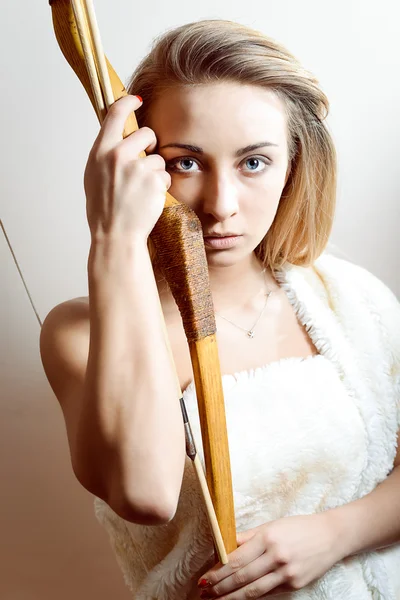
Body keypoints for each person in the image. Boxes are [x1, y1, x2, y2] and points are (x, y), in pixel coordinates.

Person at [39, 18, 400, 600]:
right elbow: (145, 492)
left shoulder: (348, 298)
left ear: (293, 166)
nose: (221, 205)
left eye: (253, 162)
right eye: (185, 162)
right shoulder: (78, 332)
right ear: (139, 162)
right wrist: (113, 240)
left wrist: (333, 534)